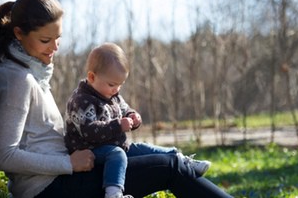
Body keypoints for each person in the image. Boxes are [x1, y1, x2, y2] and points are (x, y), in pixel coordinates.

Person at [0, 0, 233, 198]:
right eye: (45, 40)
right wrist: (68, 163)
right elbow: (3, 156)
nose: (54, 48)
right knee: (169, 167)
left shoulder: (32, 72)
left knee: (156, 158)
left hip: (62, 176)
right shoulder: (17, 80)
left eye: (58, 38)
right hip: (48, 189)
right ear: (19, 34)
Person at [64, 43, 212, 198]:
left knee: (143, 148)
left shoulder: (111, 94)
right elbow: (89, 131)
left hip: (114, 144)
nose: (116, 90)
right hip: (90, 149)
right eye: (112, 84)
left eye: (120, 85)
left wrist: (133, 116)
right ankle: (113, 193)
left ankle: (181, 160)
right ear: (92, 77)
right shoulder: (82, 101)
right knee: (117, 155)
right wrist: (118, 125)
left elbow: (124, 109)